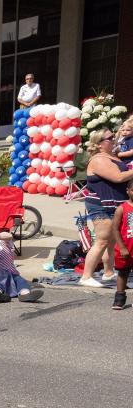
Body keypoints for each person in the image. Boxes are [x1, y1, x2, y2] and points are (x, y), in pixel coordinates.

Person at [79, 129, 133, 287]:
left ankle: (109, 272)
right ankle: (86, 276)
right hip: (100, 205)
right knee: (102, 240)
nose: (114, 137)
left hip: (112, 204)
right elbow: (117, 177)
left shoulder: (111, 156)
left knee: (110, 240)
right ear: (100, 144)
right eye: (110, 137)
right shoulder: (98, 159)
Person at [0, 232, 43, 302]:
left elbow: (9, 236)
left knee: (20, 281)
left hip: (10, 272)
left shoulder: (2, 241)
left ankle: (25, 294)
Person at [111, 180, 133, 309]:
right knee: (123, 273)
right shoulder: (122, 209)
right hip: (125, 248)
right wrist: (122, 247)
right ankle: (119, 299)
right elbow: (115, 229)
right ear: (128, 191)